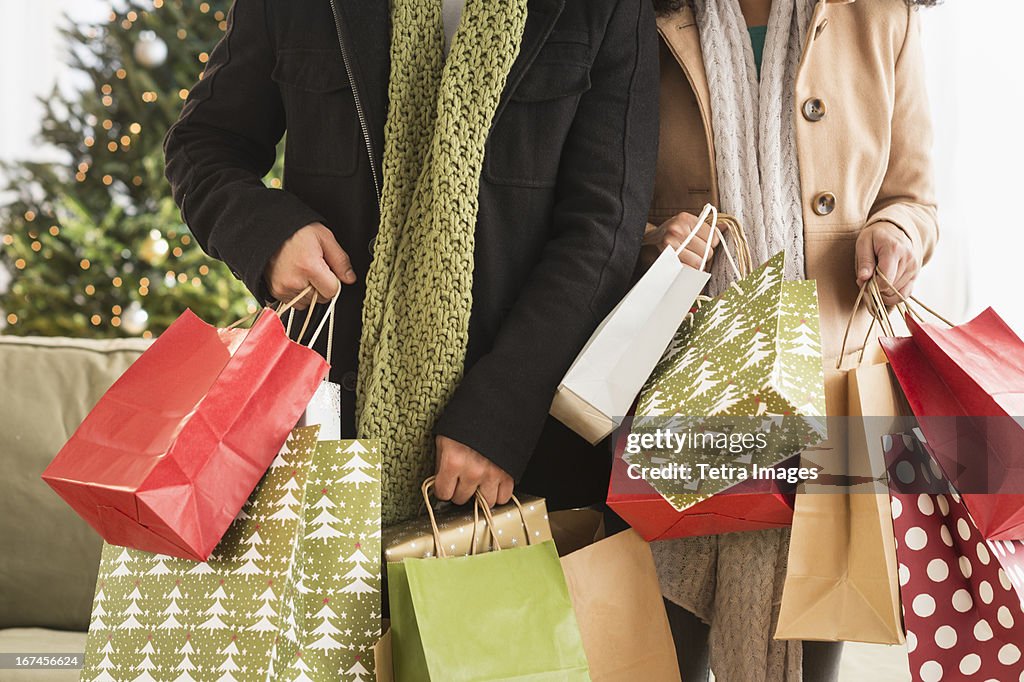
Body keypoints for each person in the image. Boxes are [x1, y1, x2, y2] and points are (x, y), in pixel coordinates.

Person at [163, 0, 659, 526]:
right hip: (325, 430)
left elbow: (604, 227)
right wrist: (269, 234)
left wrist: (502, 413)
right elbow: (203, 143)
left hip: (523, 448)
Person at [640, 0, 939, 679]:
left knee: (806, 656)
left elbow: (914, 198)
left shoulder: (880, 13)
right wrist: (657, 242)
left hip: (832, 393)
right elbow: (595, 203)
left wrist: (898, 235)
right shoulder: (641, 16)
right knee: (663, 655)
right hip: (681, 382)